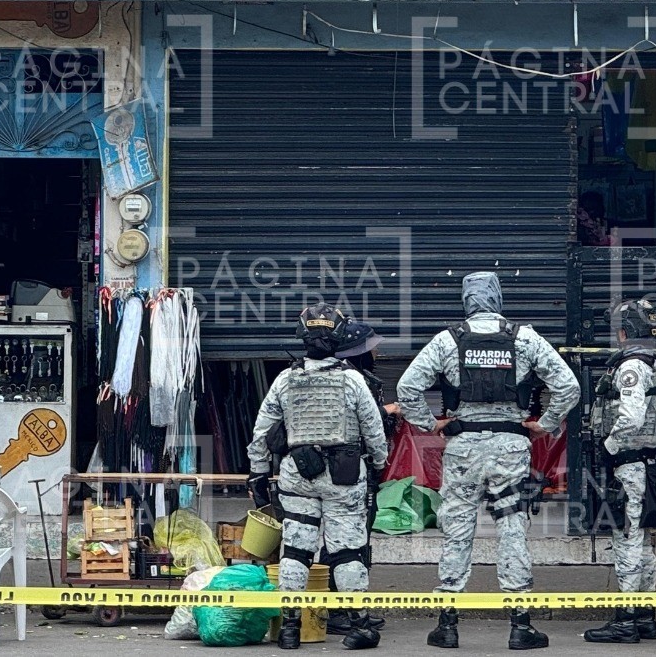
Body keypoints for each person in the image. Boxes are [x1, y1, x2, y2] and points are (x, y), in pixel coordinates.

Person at [397, 271, 580, 651]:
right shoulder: (524, 338)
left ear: (466, 300)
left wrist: (431, 424)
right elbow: (568, 387)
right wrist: (543, 426)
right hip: (511, 447)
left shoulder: (448, 340)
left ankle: (446, 625)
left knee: (456, 530)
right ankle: (520, 625)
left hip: (462, 447)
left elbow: (407, 388)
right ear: (498, 297)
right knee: (512, 528)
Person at [247, 303, 389, 651]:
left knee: (295, 551)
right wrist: (379, 465)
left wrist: (258, 476)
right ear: (339, 338)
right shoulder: (353, 379)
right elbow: (374, 431)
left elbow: (261, 434)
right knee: (347, 552)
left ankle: (291, 628)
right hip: (345, 475)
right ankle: (359, 626)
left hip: (297, 472)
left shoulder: (286, 378)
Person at [582, 299, 656, 644]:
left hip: (628, 465)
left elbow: (632, 417)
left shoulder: (631, 367)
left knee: (626, 540)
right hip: (651, 464)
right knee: (644, 542)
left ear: (625, 332)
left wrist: (610, 446)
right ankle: (644, 616)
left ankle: (625, 619)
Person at [324, 318, 400, 636]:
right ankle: (341, 611)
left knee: (348, 540)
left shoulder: (337, 377)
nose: (376, 354)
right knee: (349, 543)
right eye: (370, 349)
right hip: (351, 470)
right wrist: (388, 413)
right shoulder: (353, 381)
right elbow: (359, 425)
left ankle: (346, 607)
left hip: (340, 469)